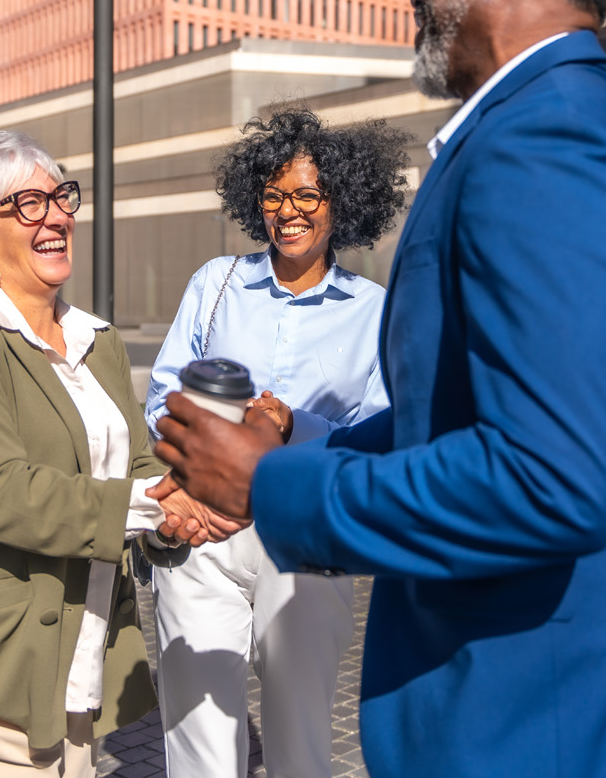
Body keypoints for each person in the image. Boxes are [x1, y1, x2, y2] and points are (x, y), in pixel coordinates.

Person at [150, 0, 606, 777]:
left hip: (559, 714)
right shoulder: (540, 125)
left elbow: (551, 477)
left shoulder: (548, 138)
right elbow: (458, 415)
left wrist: (273, 491)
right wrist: (291, 455)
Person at [0, 130, 231, 778]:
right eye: (26, 203)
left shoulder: (95, 340)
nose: (55, 215)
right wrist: (149, 505)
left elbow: (135, 466)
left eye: (59, 196)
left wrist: (176, 511)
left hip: (85, 653)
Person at [145, 109, 410, 778]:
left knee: (299, 741)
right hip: (205, 535)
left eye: (306, 194)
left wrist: (295, 427)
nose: (286, 211)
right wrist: (194, 454)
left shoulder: (374, 311)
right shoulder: (215, 285)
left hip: (308, 538)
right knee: (196, 739)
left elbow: (381, 435)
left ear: (339, 204)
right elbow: (161, 399)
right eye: (272, 194)